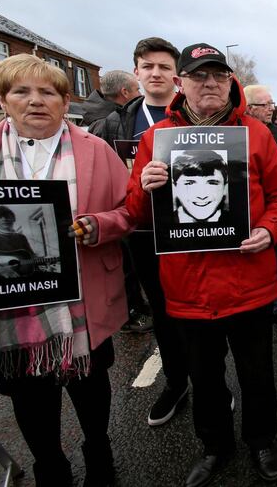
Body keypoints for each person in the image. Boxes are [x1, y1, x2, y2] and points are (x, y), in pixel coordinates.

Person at [126, 43, 277, 484]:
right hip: (189, 289)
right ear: (182, 83)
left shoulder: (255, 134)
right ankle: (214, 446)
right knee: (206, 378)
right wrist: (145, 186)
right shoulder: (155, 140)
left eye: (218, 75)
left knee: (257, 374)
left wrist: (270, 229)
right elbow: (137, 215)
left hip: (249, 281)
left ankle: (261, 439)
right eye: (200, 76)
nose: (210, 84)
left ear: (230, 82)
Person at [0, 54, 134, 486]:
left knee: (89, 385)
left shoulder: (95, 149)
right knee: (28, 396)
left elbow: (129, 211)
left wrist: (98, 225)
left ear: (65, 102)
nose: (35, 102)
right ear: (4, 101)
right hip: (12, 305)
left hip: (83, 295)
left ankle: (98, 450)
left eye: (48, 92)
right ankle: (50, 463)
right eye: (21, 92)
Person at [100, 37, 188, 421]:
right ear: (136, 73)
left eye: (164, 67)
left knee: (203, 313)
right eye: (148, 66)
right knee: (165, 313)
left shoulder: (197, 115)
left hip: (193, 228)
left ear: (177, 76)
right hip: (144, 233)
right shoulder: (116, 122)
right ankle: (175, 382)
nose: (156, 73)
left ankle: (212, 384)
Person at [0, 206, 40, 280]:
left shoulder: (21, 237)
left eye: (7, 215)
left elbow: (31, 256)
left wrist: (41, 262)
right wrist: (1, 269)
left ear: (13, 219)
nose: (4, 219)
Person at [171, 150, 229, 224]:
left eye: (212, 183)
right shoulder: (162, 224)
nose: (202, 195)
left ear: (224, 187)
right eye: (190, 183)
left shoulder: (241, 224)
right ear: (175, 187)